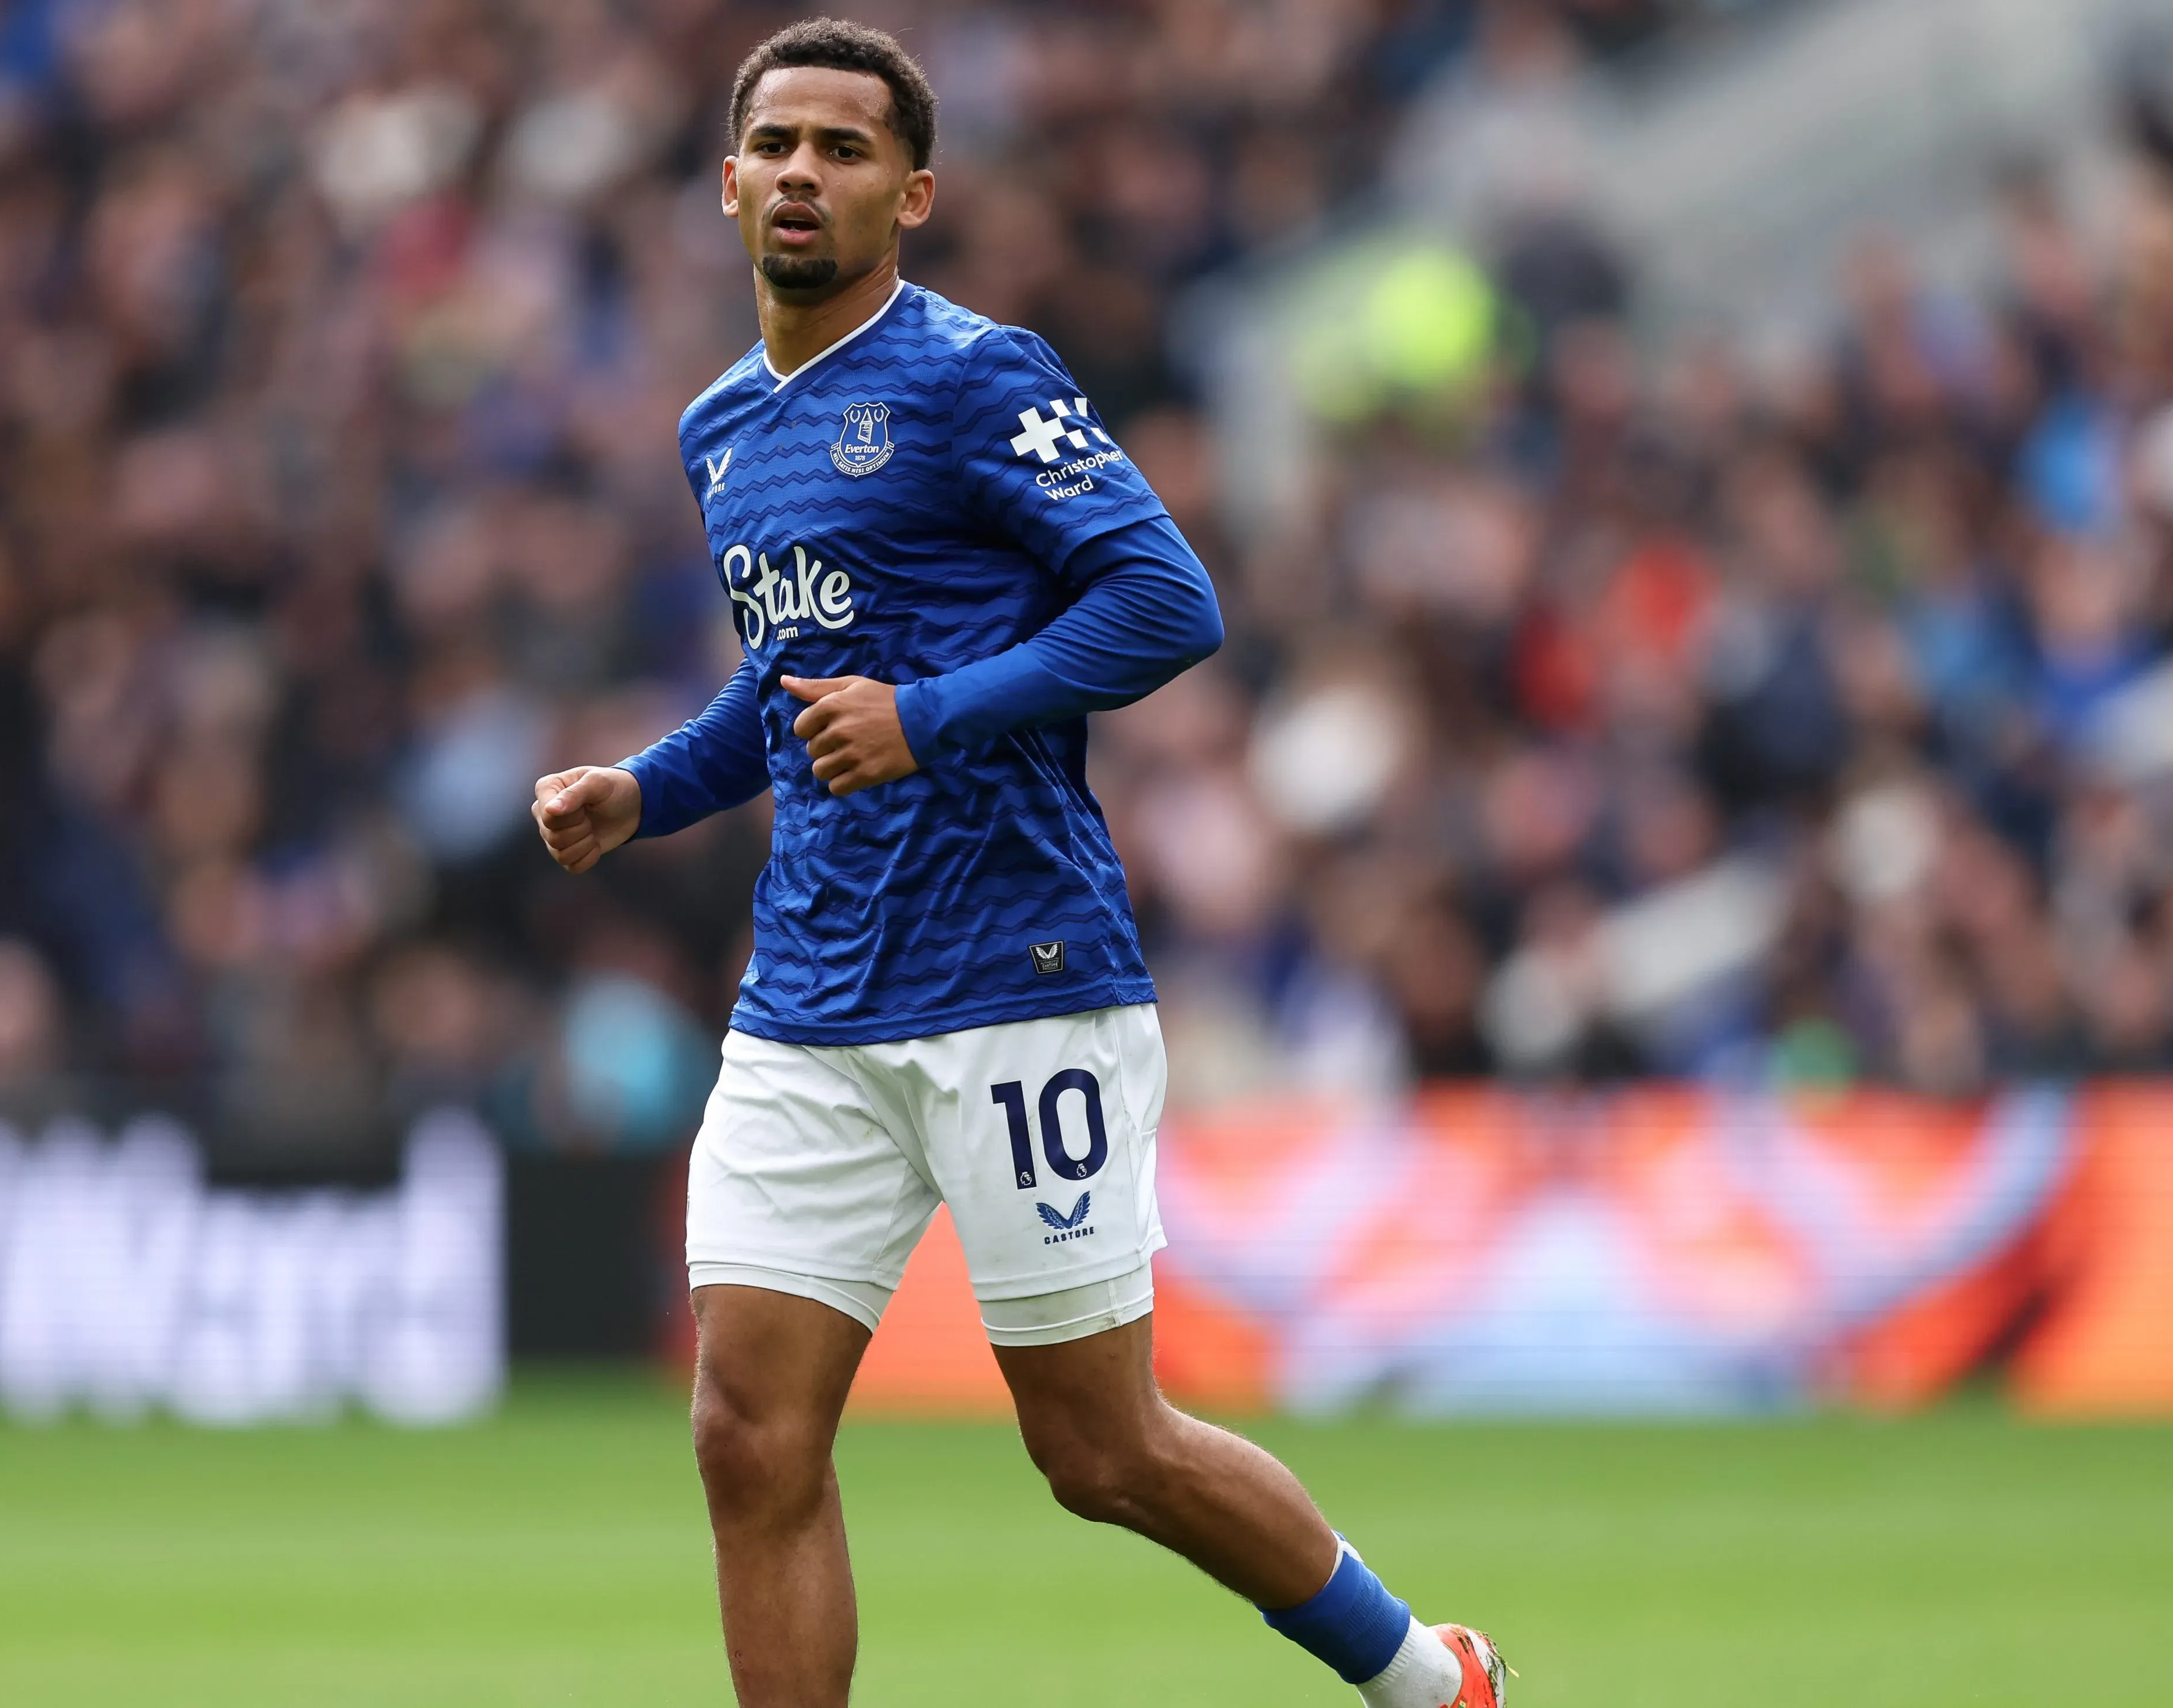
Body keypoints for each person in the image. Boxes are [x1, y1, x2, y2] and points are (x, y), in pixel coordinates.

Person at [530, 21, 1509, 1707]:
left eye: (843, 151)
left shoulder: (979, 374)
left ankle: (1429, 1680)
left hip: (1016, 978)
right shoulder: (718, 429)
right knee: (745, 1434)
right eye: (775, 145)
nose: (800, 175)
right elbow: (785, 686)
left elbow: (1166, 602)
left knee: (1099, 1448)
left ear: (909, 193)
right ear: (723, 179)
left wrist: (930, 717)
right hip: (810, 997)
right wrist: (644, 790)